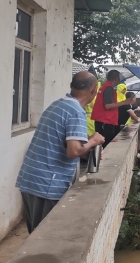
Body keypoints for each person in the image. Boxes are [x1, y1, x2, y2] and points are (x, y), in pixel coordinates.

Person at [15, 71, 106, 233]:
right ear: (93, 89)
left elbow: (64, 145)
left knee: (35, 235)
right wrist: (94, 141)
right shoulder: (76, 112)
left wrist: (88, 149)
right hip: (47, 185)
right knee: (46, 238)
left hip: (30, 180)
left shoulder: (58, 104)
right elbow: (73, 151)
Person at [91, 70, 136, 148]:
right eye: (119, 77)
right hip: (105, 121)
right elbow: (108, 106)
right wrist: (124, 102)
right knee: (105, 143)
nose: (120, 79)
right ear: (116, 78)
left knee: (104, 142)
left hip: (104, 120)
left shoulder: (106, 86)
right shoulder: (108, 88)